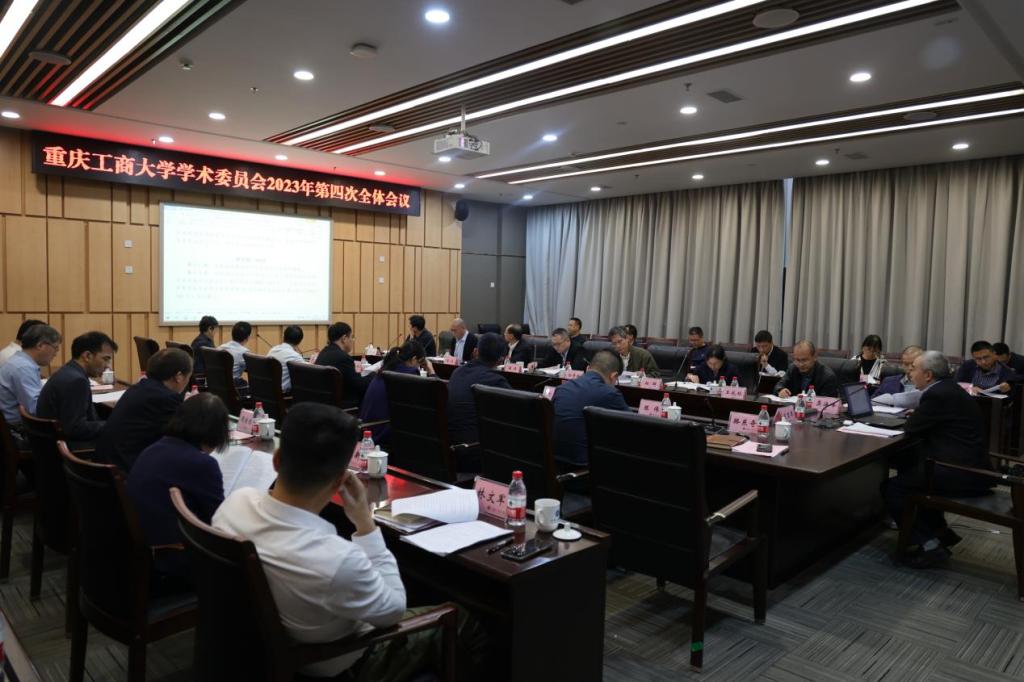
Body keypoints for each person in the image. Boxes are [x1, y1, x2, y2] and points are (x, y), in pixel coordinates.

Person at [212, 403, 415, 680]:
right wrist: (365, 525)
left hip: (253, 651)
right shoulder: (339, 560)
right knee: (463, 618)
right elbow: (394, 611)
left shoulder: (234, 504)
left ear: (276, 460)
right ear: (340, 481)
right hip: (334, 662)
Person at [883, 351, 993, 568]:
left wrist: (914, 417)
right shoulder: (949, 389)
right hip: (969, 465)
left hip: (960, 472)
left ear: (928, 375)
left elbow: (912, 428)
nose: (909, 372)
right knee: (910, 469)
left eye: (914, 368)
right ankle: (940, 532)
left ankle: (930, 545)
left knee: (893, 487)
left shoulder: (937, 395)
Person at [127, 392, 229, 579]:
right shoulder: (202, 464)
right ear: (216, 432)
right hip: (172, 558)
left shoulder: (153, 448)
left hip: (139, 552)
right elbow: (218, 520)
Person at [97, 349, 191, 472]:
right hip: (124, 471)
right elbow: (184, 438)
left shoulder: (139, 387)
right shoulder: (167, 399)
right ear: (179, 377)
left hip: (107, 464)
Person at [36, 331, 116, 447]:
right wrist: (114, 425)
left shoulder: (68, 371)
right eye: (106, 359)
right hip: (68, 448)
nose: (108, 366)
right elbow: (75, 428)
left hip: (51, 442)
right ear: (87, 356)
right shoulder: (77, 381)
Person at [552, 350, 630, 467]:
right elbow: (633, 427)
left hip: (553, 461)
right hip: (583, 466)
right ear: (613, 376)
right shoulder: (610, 393)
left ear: (588, 368)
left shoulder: (562, 388)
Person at [447, 334, 511, 469]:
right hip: (473, 452)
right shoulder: (495, 381)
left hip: (450, 448)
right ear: (501, 360)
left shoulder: (457, 372)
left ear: (476, 351)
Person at [359, 341, 430, 443]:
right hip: (383, 432)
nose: (420, 367)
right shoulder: (409, 373)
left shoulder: (386, 367)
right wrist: (432, 372)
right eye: (420, 363)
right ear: (414, 359)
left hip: (367, 429)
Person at [0, 324, 61, 427]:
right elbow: (37, 409)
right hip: (16, 429)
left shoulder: (19, 361)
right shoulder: (23, 367)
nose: (56, 353)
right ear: (40, 345)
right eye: (55, 348)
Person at [315, 322, 369, 407]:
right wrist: (374, 375)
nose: (353, 340)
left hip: (324, 402)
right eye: (352, 337)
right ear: (344, 338)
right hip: (342, 404)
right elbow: (359, 385)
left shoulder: (323, 352)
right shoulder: (343, 357)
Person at [774, 340, 840, 398]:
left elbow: (827, 402)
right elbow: (779, 385)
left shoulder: (827, 376)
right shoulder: (793, 368)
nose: (800, 364)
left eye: (804, 360)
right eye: (797, 360)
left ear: (814, 357)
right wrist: (780, 390)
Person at [268, 325, 305, 392]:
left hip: (268, 390)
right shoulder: (294, 356)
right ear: (299, 341)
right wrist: (312, 362)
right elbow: (309, 370)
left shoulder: (273, 350)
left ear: (283, 336)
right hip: (282, 393)